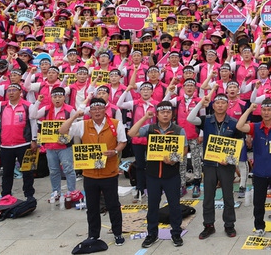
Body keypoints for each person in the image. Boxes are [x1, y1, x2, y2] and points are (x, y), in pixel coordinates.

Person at [59, 96, 127, 247]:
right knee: (92, 207)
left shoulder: (115, 124)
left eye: (100, 108)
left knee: (113, 205)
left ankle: (118, 233)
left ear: (105, 109)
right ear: (89, 111)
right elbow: (62, 130)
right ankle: (93, 235)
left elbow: (123, 142)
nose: (97, 111)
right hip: (89, 174)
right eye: (94, 109)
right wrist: (75, 116)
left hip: (109, 172)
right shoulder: (83, 124)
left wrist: (115, 152)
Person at [128, 100, 185, 248]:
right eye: (162, 112)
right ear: (157, 114)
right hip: (153, 175)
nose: (165, 115)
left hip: (171, 175)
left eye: (168, 112)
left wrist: (173, 161)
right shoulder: (150, 128)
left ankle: (176, 233)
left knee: (174, 205)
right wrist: (145, 117)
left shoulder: (179, 130)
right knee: (152, 206)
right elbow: (132, 133)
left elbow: (183, 150)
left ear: (172, 114)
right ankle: (152, 234)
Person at [187, 94, 241, 239]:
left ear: (227, 105)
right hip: (210, 165)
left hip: (226, 166)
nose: (220, 105)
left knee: (228, 197)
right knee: (208, 197)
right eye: (217, 102)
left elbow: (239, 144)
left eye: (223, 102)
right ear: (213, 105)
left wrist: (229, 159)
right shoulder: (206, 120)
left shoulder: (234, 123)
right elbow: (190, 118)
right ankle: (208, 225)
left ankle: (229, 225)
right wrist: (200, 103)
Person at [237, 98, 271, 239]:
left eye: (269, 110)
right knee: (258, 202)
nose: (266, 113)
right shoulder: (255, 127)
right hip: (259, 172)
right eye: (264, 110)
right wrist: (249, 109)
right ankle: (259, 226)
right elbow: (239, 126)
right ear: (260, 112)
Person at [0, 83, 37, 201]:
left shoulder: (28, 105)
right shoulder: (2, 105)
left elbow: (33, 123)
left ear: (20, 93)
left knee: (27, 172)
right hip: (6, 145)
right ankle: (6, 195)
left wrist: (34, 140)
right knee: (7, 172)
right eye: (9, 91)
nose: (11, 92)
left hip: (23, 143)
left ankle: (29, 195)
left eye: (14, 90)